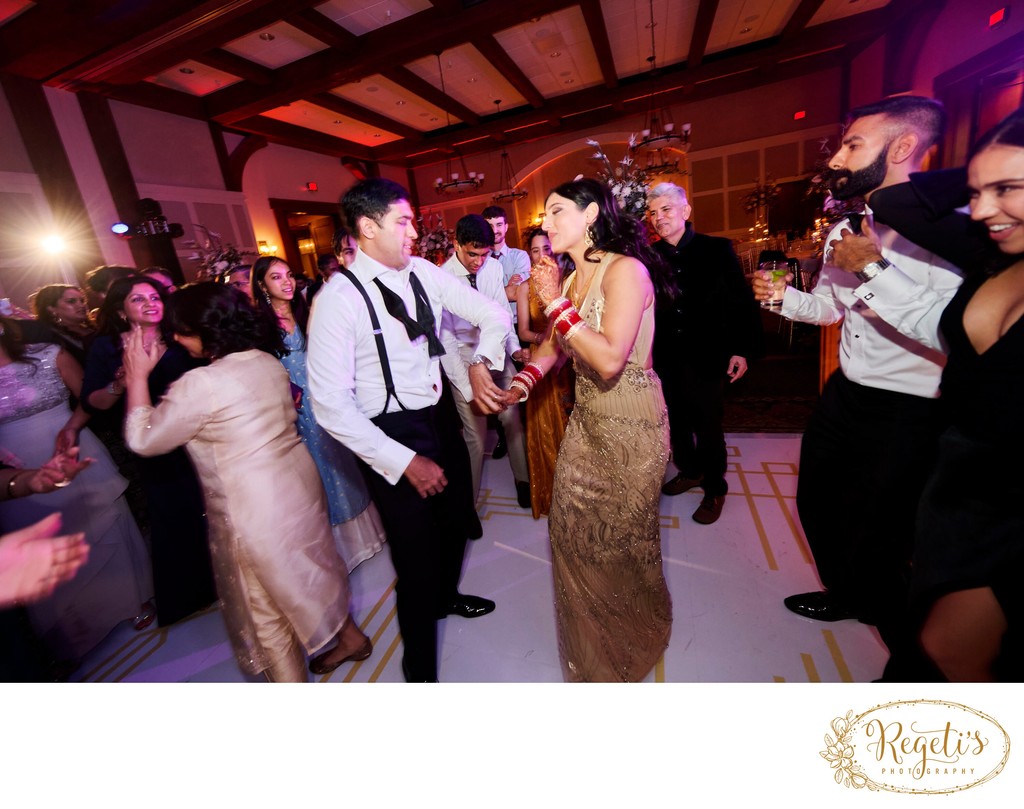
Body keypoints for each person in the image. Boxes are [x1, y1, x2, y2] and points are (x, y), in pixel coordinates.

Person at [751, 95, 963, 681]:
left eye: (853, 145)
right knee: (817, 506)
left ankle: (913, 667)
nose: (838, 157)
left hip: (911, 412)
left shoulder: (951, 233)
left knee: (887, 540)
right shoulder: (848, 226)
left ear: (902, 148)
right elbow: (830, 308)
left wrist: (873, 267)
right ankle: (848, 595)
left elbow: (951, 333)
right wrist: (783, 300)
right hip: (846, 394)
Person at [307, 178, 508, 682]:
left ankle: (446, 600)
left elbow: (493, 313)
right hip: (388, 432)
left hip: (438, 411)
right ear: (367, 227)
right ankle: (419, 673)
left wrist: (483, 361)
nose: (415, 232)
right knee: (415, 561)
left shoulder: (423, 272)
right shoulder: (337, 300)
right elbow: (330, 405)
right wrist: (403, 462)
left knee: (458, 518)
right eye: (404, 222)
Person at [122, 283, 371, 682]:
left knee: (265, 610)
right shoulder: (264, 360)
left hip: (252, 508)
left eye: (179, 330)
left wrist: (136, 378)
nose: (177, 339)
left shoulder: (200, 384)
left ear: (201, 330)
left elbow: (144, 440)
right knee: (312, 569)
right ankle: (352, 638)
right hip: (298, 488)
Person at [502, 178, 675, 682]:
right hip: (588, 422)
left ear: (592, 214)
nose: (545, 223)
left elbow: (607, 358)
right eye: (545, 215)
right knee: (570, 534)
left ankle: (631, 633)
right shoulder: (572, 278)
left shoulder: (627, 271)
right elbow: (556, 350)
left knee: (621, 539)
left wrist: (554, 301)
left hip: (634, 423)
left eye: (556, 212)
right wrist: (520, 385)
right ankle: (592, 646)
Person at [0, 316, 153, 665]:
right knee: (42, 542)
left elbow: (89, 399)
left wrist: (71, 427)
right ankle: (72, 626)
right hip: (14, 470)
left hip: (69, 447)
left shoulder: (48, 354)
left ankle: (132, 601)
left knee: (100, 527)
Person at [82, 275, 216, 627]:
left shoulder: (181, 332)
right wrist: (122, 382)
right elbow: (93, 401)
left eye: (154, 297)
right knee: (174, 511)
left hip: (199, 432)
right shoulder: (108, 347)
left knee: (213, 504)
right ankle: (192, 594)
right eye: (138, 300)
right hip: (152, 438)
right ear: (121, 311)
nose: (150, 304)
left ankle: (228, 579)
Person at [251, 256, 386, 571]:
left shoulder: (305, 309)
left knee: (344, 458)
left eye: (288, 275)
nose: (286, 282)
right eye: (276, 277)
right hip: (295, 406)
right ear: (262, 285)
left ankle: (366, 536)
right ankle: (338, 550)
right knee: (317, 467)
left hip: (324, 394)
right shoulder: (259, 326)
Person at [648, 182, 764, 524]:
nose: (659, 218)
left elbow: (741, 303)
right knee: (676, 422)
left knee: (708, 423)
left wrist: (741, 350)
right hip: (665, 355)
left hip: (708, 353)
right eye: (653, 213)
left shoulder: (716, 249)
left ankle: (715, 486)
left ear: (685, 211)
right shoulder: (648, 258)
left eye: (666, 210)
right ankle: (691, 470)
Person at [439, 214, 531, 507]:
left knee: (512, 421)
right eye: (472, 254)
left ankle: (523, 481)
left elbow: (502, 312)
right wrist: (469, 392)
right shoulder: (441, 277)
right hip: (464, 363)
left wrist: (515, 349)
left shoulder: (492, 267)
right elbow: (446, 344)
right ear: (456, 244)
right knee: (476, 441)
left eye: (484, 254)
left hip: (497, 356)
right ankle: (468, 504)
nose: (479, 262)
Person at [516, 228, 574, 518]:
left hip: (570, 365)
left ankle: (577, 492)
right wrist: (548, 339)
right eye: (535, 251)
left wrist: (563, 342)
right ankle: (552, 491)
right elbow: (524, 331)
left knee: (573, 428)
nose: (541, 256)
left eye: (546, 249)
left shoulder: (566, 282)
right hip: (541, 365)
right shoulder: (525, 287)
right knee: (544, 428)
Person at [483, 205, 531, 460]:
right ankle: (504, 437)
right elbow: (507, 291)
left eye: (499, 224)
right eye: (490, 226)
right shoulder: (480, 259)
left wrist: (492, 290)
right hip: (490, 330)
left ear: (507, 226)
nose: (496, 230)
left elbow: (518, 291)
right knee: (497, 386)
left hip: (518, 327)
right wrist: (506, 286)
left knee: (522, 384)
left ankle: (525, 438)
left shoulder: (520, 256)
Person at [29, 284, 95, 367]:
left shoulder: (95, 327)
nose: (82, 305)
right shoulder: (51, 338)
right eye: (71, 301)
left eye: (82, 300)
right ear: (51, 308)